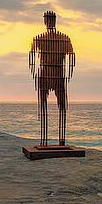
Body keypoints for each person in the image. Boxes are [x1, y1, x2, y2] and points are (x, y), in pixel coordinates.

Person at [29, 11, 75, 147]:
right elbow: (72, 58)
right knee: (55, 107)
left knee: (53, 106)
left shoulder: (40, 39)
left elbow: (31, 59)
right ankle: (56, 141)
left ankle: (49, 141)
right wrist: (69, 74)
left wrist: (34, 73)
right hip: (56, 73)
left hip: (48, 72)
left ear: (45, 21)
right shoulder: (63, 38)